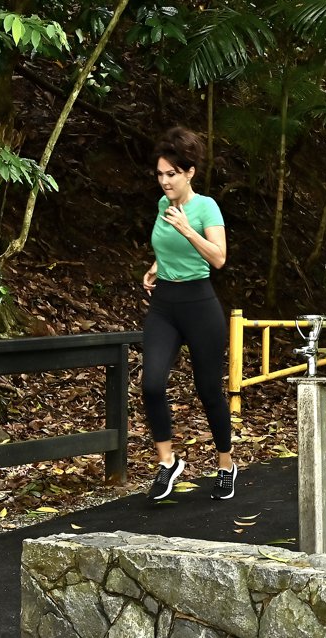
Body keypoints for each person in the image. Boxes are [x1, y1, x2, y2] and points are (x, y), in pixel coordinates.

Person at [140, 126, 236, 502]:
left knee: (208, 389)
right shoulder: (163, 205)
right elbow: (165, 246)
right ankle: (168, 462)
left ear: (189, 172)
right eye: (160, 174)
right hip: (165, 303)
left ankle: (226, 465)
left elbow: (218, 257)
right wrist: (155, 265)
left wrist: (186, 230)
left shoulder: (205, 207)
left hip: (200, 304)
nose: (164, 182)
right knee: (151, 384)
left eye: (171, 174)